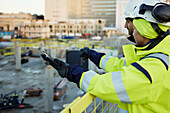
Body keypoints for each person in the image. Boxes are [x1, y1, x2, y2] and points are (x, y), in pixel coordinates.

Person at [41, 0, 170, 112]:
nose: (126, 27)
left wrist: (72, 72)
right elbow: (121, 66)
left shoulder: (155, 69)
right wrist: (95, 56)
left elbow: (105, 85)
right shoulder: (157, 56)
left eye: (131, 24)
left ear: (145, 27)